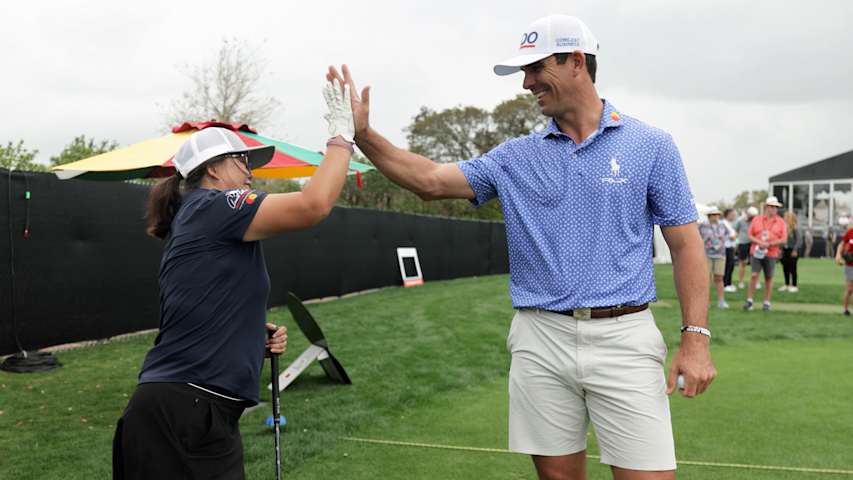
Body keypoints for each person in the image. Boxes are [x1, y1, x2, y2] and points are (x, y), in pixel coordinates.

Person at [329, 13, 716, 480]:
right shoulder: (515, 157)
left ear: (576, 61)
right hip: (541, 338)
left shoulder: (650, 145)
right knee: (556, 476)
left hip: (625, 336)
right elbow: (430, 181)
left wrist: (696, 338)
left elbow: (686, 245)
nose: (527, 83)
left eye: (536, 68)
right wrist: (364, 135)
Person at [112, 79, 356, 479]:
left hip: (184, 409)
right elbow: (314, 205)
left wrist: (246, 335)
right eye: (241, 162)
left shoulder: (197, 215)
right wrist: (341, 137)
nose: (249, 173)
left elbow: (198, 308)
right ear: (212, 170)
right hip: (185, 412)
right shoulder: (214, 205)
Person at [743, 197, 787, 311]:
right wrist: (760, 242)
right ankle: (749, 300)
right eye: (772, 207)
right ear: (767, 207)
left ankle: (766, 302)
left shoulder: (781, 222)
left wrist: (770, 243)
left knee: (769, 277)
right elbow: (750, 234)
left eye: (776, 207)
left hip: (771, 252)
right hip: (756, 251)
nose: (774, 209)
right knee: (754, 275)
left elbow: (783, 239)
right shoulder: (757, 219)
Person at [699, 208, 729, 308]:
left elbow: (728, 235)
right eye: (713, 215)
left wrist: (721, 241)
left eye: (717, 215)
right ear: (709, 216)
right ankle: (705, 301)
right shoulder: (703, 225)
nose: (716, 217)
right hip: (707, 254)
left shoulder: (722, 225)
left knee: (719, 277)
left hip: (720, 254)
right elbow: (699, 238)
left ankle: (721, 301)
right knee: (707, 278)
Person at [734, 206, 760, 290]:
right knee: (743, 263)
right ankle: (741, 282)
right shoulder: (741, 221)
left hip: (754, 243)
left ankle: (756, 282)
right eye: (751, 216)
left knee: (755, 263)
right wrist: (736, 243)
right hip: (743, 243)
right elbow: (735, 231)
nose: (752, 217)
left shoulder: (756, 221)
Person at [778, 210, 803, 293]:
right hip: (785, 249)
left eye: (786, 217)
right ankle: (786, 284)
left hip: (793, 250)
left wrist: (795, 250)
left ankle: (794, 285)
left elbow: (799, 240)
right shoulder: (783, 227)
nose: (784, 218)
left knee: (793, 268)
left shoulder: (795, 228)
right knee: (785, 267)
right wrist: (780, 250)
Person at [835, 215, 853, 316]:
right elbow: (841, 244)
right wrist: (838, 255)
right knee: (849, 289)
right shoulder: (850, 232)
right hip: (850, 264)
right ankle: (845, 309)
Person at [722, 208, 738, 292]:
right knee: (727, 266)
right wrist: (732, 237)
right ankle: (725, 284)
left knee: (731, 266)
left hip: (731, 247)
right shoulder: (723, 223)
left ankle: (729, 283)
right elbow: (725, 235)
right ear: (727, 214)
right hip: (726, 247)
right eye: (732, 214)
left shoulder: (730, 224)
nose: (734, 216)